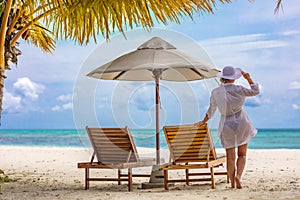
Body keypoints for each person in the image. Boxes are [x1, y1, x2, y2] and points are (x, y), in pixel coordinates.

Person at [194, 66, 259, 189]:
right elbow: (255, 91)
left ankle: (233, 184)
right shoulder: (239, 89)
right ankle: (238, 177)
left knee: (230, 157)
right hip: (241, 122)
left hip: (226, 124)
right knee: (242, 155)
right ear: (233, 78)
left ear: (223, 78)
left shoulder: (215, 92)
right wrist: (248, 78)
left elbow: (211, 111)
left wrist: (203, 121)